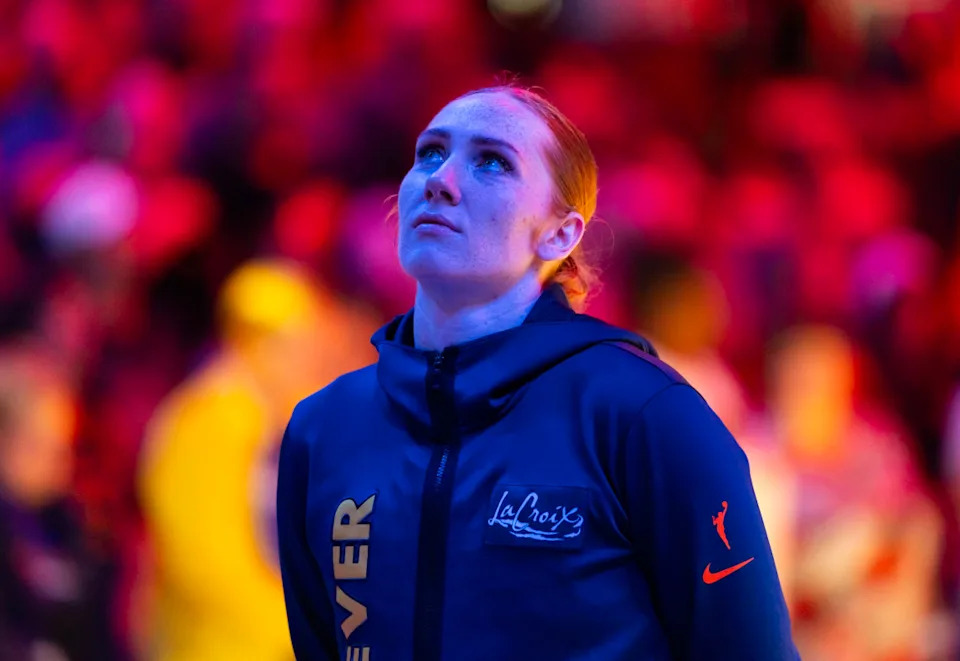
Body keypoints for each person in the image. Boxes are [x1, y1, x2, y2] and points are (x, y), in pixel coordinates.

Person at [276, 84, 799, 660]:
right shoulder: (324, 428)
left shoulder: (641, 412)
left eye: (492, 162)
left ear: (561, 233)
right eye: (430, 152)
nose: (440, 180)